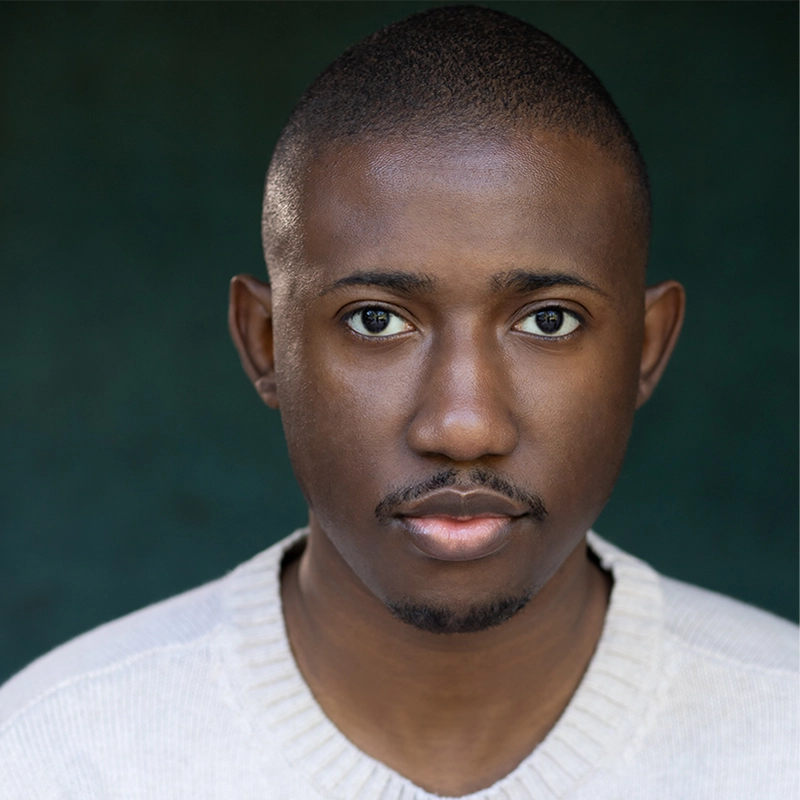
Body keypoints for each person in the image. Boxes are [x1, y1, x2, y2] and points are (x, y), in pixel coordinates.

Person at [0, 6, 796, 798]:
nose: (463, 426)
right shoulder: (55, 756)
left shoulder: (779, 735)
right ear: (264, 342)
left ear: (647, 349)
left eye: (547, 321)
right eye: (375, 320)